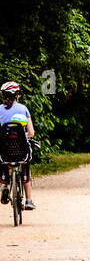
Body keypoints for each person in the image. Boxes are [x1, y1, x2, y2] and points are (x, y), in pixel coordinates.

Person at [0, 81, 36, 210]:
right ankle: (29, 200)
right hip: (21, 149)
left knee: (3, 162)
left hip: (4, 150)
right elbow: (31, 133)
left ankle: (4, 186)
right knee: (25, 165)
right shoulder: (23, 108)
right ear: (17, 95)